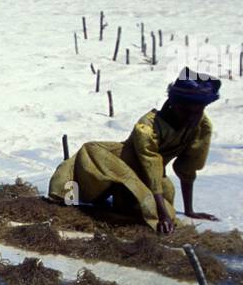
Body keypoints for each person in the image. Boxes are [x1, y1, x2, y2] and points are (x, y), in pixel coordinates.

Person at [48, 69, 220, 234]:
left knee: (165, 198)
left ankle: (123, 199)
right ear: (174, 104)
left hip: (144, 175)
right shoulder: (147, 126)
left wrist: (189, 211)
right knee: (154, 210)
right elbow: (151, 166)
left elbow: (189, 166)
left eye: (197, 112)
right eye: (185, 111)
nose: (191, 117)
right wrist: (162, 214)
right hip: (109, 161)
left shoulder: (201, 125)